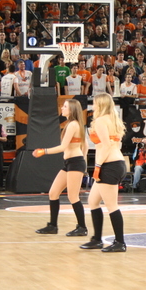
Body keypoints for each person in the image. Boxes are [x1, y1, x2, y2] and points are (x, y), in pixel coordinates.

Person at [33, 99, 89, 237]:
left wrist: (43, 151)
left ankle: (82, 227)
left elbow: (63, 147)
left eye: (65, 106)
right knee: (53, 193)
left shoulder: (73, 125)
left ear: (72, 110)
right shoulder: (75, 124)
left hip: (75, 163)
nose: (62, 108)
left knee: (73, 196)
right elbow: (86, 146)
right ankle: (53, 226)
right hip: (71, 162)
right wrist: (84, 161)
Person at [80, 93, 128, 252]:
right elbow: (116, 144)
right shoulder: (114, 120)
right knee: (93, 201)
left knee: (111, 205)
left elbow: (106, 145)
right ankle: (96, 239)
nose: (93, 105)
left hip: (109, 165)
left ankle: (120, 242)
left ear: (100, 104)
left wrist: (98, 166)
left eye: (94, 103)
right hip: (117, 162)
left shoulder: (101, 120)